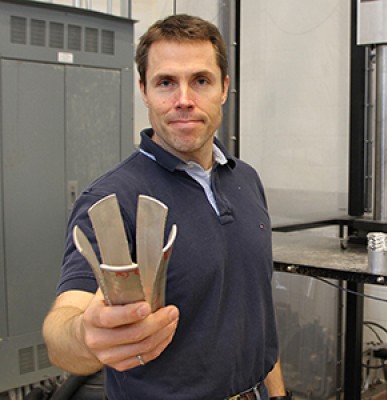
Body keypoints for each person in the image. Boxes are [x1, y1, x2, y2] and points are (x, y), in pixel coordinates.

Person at [43, 14, 289, 400]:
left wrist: (277, 394)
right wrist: (85, 335)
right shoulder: (113, 199)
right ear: (143, 89)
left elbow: (256, 310)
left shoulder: (246, 180)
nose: (184, 100)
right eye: (166, 83)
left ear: (224, 88)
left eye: (201, 81)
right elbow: (62, 330)